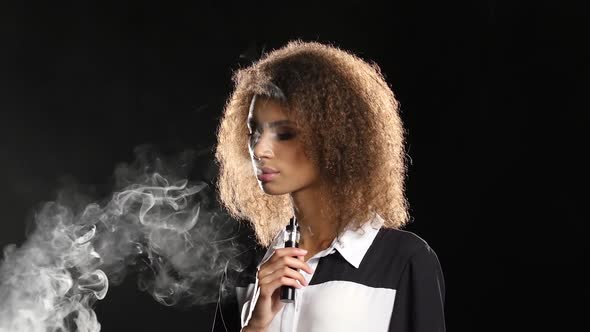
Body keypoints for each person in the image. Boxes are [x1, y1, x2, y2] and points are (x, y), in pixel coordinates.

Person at [214, 40, 446, 332]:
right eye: (254, 132)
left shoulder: (403, 260)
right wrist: (256, 325)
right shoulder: (249, 268)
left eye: (284, 134)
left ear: (335, 138)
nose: (259, 150)